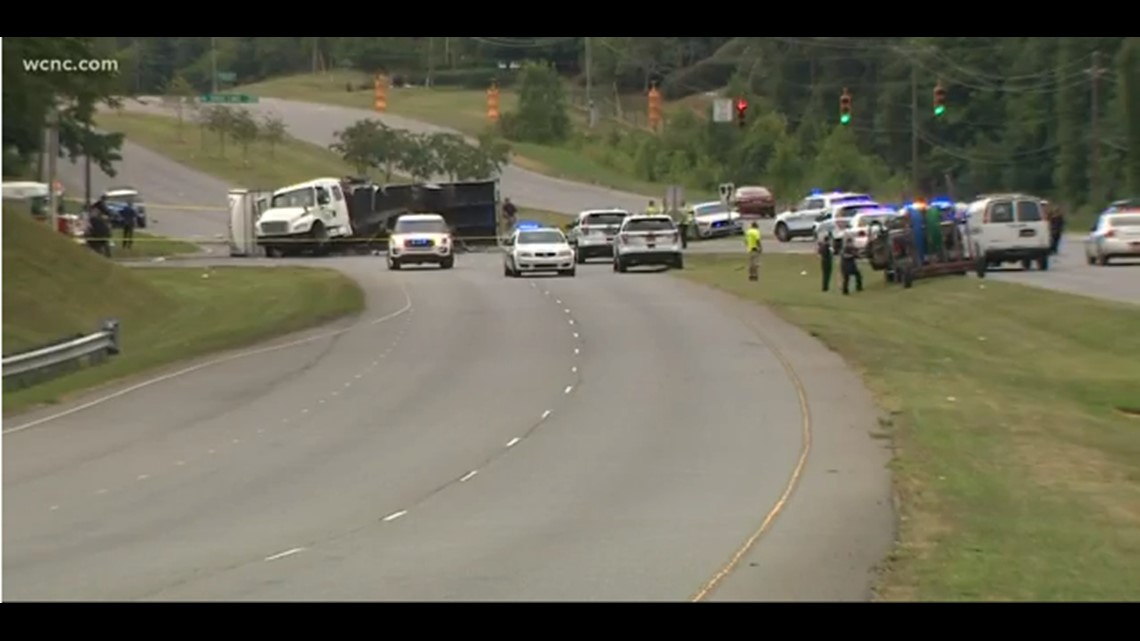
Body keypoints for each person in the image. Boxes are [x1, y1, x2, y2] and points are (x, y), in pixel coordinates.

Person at [839, 230, 863, 295]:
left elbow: (857, 254)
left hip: (852, 265)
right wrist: (853, 256)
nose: (851, 244)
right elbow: (845, 256)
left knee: (858, 275)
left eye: (852, 243)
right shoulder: (844, 249)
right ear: (847, 243)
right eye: (850, 243)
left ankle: (859, 287)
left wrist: (859, 255)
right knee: (846, 279)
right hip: (845, 266)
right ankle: (845, 291)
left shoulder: (853, 248)